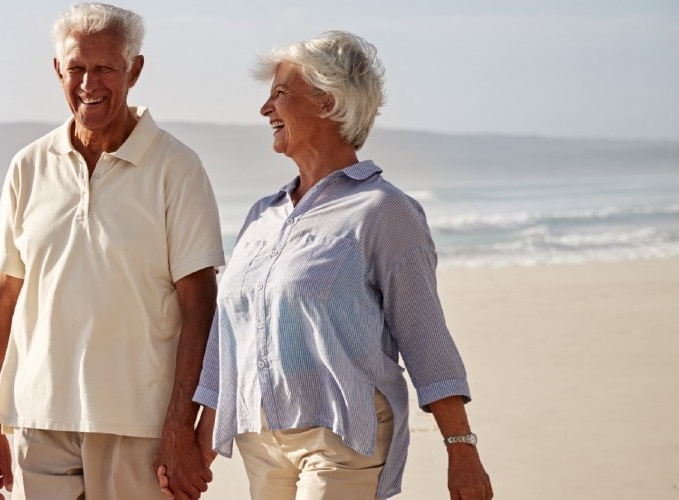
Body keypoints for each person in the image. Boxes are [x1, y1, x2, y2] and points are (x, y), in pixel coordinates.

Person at [181, 31, 494, 499]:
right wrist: (199, 441)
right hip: (258, 440)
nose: (265, 110)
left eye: (280, 95)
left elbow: (425, 337)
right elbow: (227, 338)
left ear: (327, 102)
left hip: (341, 434)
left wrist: (462, 449)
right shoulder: (262, 216)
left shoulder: (382, 210)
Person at [0, 4, 224, 499]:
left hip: (141, 424)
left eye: (105, 67)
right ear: (57, 71)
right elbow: (5, 298)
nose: (89, 82)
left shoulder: (177, 168)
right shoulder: (28, 166)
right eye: (77, 68)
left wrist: (182, 423)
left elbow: (201, 304)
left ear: (135, 69)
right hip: (39, 419)